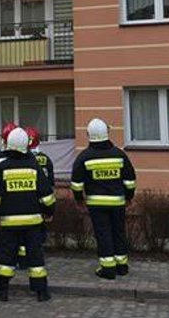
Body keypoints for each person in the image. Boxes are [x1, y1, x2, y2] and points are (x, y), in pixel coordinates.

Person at [0, 127, 55, 302]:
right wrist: (49, 212)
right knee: (35, 257)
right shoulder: (34, 166)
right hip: (33, 223)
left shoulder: (2, 167)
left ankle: (2, 291)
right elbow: (46, 195)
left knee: (6, 258)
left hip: (8, 223)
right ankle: (41, 292)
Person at [70, 118, 136, 280]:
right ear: (107, 133)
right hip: (117, 202)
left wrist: (79, 200)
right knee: (118, 232)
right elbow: (130, 180)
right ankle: (122, 266)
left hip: (96, 204)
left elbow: (76, 184)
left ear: (88, 135)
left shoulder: (84, 157)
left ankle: (108, 269)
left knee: (103, 234)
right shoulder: (119, 155)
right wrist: (129, 197)